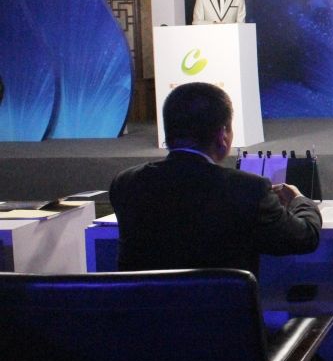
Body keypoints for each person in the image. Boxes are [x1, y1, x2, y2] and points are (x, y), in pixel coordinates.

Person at [109, 81, 321, 276]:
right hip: (223, 307)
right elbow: (305, 238)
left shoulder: (125, 184)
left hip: (147, 306)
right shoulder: (248, 190)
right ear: (222, 135)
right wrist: (300, 201)